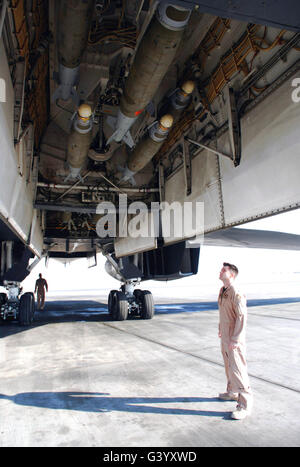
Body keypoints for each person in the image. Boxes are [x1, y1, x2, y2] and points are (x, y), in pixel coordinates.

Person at [218, 262, 253, 420]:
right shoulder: (223, 291)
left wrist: (236, 339)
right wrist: (220, 328)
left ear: (231, 275)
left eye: (223, 270)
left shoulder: (236, 292)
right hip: (225, 336)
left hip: (233, 337)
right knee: (228, 366)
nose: (220, 272)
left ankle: (245, 404)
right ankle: (232, 392)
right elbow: (224, 313)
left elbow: (241, 317)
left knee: (237, 369)